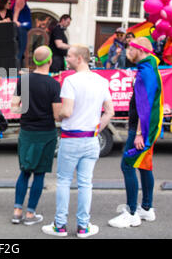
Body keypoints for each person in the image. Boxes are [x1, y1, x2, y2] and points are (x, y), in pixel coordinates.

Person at [42, 44, 114, 238]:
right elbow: (110, 111)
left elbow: (67, 111)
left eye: (70, 55)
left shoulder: (70, 81)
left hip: (71, 137)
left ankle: (60, 225)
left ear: (80, 58)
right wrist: (97, 128)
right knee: (85, 183)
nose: (67, 58)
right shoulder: (101, 81)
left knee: (64, 181)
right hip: (91, 138)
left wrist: (58, 115)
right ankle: (83, 226)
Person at [108, 37, 163, 229]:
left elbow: (144, 106)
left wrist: (140, 133)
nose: (127, 52)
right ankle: (146, 208)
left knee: (127, 165)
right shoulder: (150, 67)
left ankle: (131, 212)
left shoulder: (145, 71)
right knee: (145, 166)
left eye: (130, 48)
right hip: (149, 128)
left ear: (139, 50)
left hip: (141, 128)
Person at [11, 46, 61, 225]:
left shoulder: (23, 80)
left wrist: (28, 110)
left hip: (26, 131)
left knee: (24, 171)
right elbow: (57, 115)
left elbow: (14, 107)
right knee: (39, 174)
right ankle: (30, 214)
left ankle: (17, 211)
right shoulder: (54, 85)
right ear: (49, 61)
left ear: (35, 61)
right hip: (46, 132)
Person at [13, 0, 32, 68]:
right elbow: (16, 11)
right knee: (20, 52)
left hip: (23, 28)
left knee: (21, 53)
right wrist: (16, 21)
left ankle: (21, 75)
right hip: (21, 29)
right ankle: (15, 73)